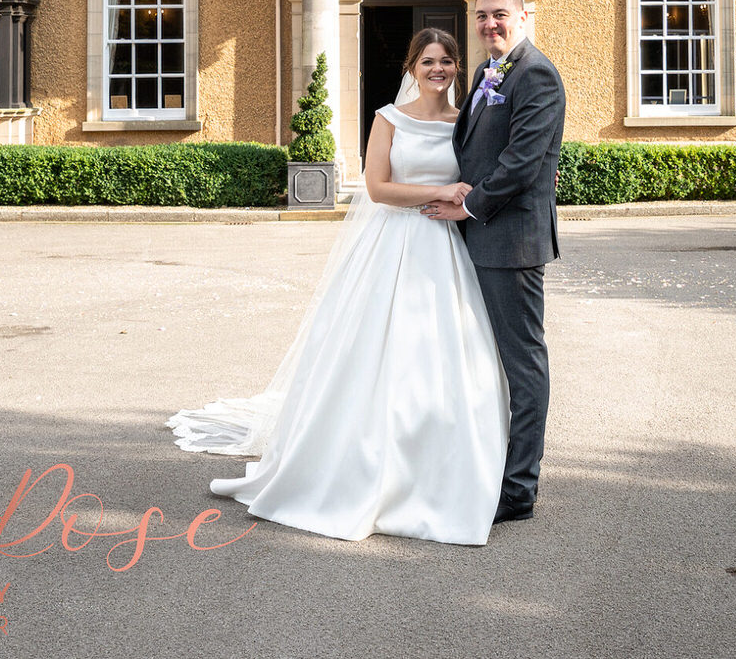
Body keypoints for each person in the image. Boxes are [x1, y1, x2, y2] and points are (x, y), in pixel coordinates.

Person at [166, 28, 510, 545]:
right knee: (371, 353)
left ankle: (441, 469)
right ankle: (358, 466)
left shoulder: (466, 123)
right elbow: (376, 187)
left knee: (443, 357)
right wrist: (439, 189)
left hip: (444, 250)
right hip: (393, 242)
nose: (437, 70)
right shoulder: (388, 119)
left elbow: (488, 173)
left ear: (458, 68)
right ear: (411, 68)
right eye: (428, 62)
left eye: (446, 62)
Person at [424, 0, 566, 523]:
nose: (490, 24)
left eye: (500, 14)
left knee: (522, 362)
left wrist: (469, 206)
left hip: (511, 241)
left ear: (524, 16)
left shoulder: (536, 75)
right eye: (482, 15)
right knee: (481, 360)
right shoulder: (488, 73)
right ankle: (483, 463)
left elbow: (522, 163)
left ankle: (518, 489)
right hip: (477, 239)